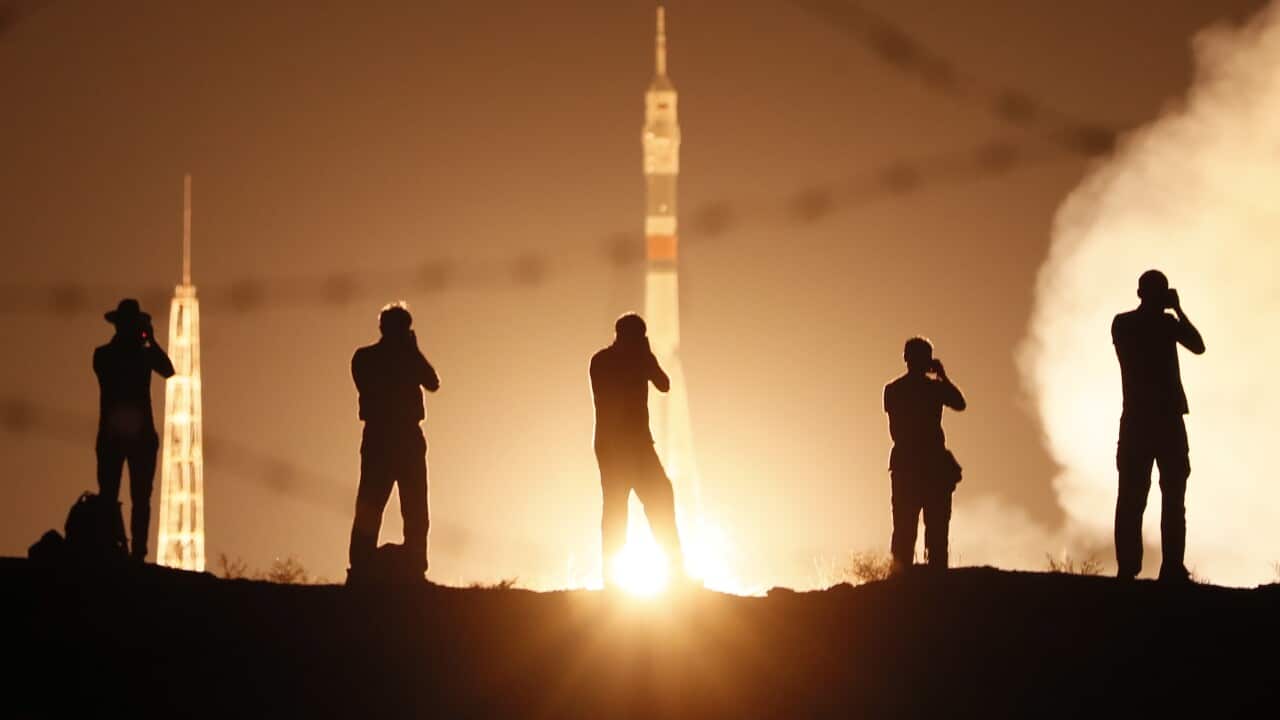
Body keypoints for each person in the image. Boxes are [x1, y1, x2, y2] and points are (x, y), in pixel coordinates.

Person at [1112, 269, 1205, 583]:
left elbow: (1198, 346)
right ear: (1142, 294)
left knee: (1165, 495)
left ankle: (1166, 567)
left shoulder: (1152, 324)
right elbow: (1197, 344)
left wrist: (1177, 312)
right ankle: (1131, 567)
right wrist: (1175, 310)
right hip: (1149, 420)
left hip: (1155, 420)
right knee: (1135, 497)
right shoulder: (1128, 324)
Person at [590, 313, 685, 587]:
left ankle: (676, 574)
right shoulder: (602, 361)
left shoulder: (641, 361)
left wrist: (649, 361)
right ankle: (613, 579)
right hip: (614, 446)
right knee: (616, 508)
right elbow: (611, 398)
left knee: (661, 497)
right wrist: (639, 363)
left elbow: (664, 385)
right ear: (622, 336)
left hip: (640, 444)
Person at [348, 302, 440, 583]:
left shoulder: (380, 358)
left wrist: (412, 354)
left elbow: (433, 382)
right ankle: (363, 567)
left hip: (401, 438)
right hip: (385, 436)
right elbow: (431, 381)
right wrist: (410, 354)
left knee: (412, 508)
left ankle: (413, 567)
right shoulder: (367, 358)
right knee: (374, 505)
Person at [94, 298, 175, 561]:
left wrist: (148, 342)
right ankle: (120, 548)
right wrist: (148, 341)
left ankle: (133, 551)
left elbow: (168, 370)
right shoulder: (108, 355)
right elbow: (167, 369)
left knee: (133, 497)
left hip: (120, 436)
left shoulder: (114, 354)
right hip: (127, 436)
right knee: (120, 497)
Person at [883, 337, 966, 573]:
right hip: (924, 465)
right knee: (928, 529)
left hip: (912, 465)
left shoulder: (894, 390)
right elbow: (959, 403)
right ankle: (922, 579)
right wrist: (942, 377)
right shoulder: (929, 390)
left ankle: (903, 580)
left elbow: (960, 404)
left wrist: (941, 378)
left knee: (910, 529)